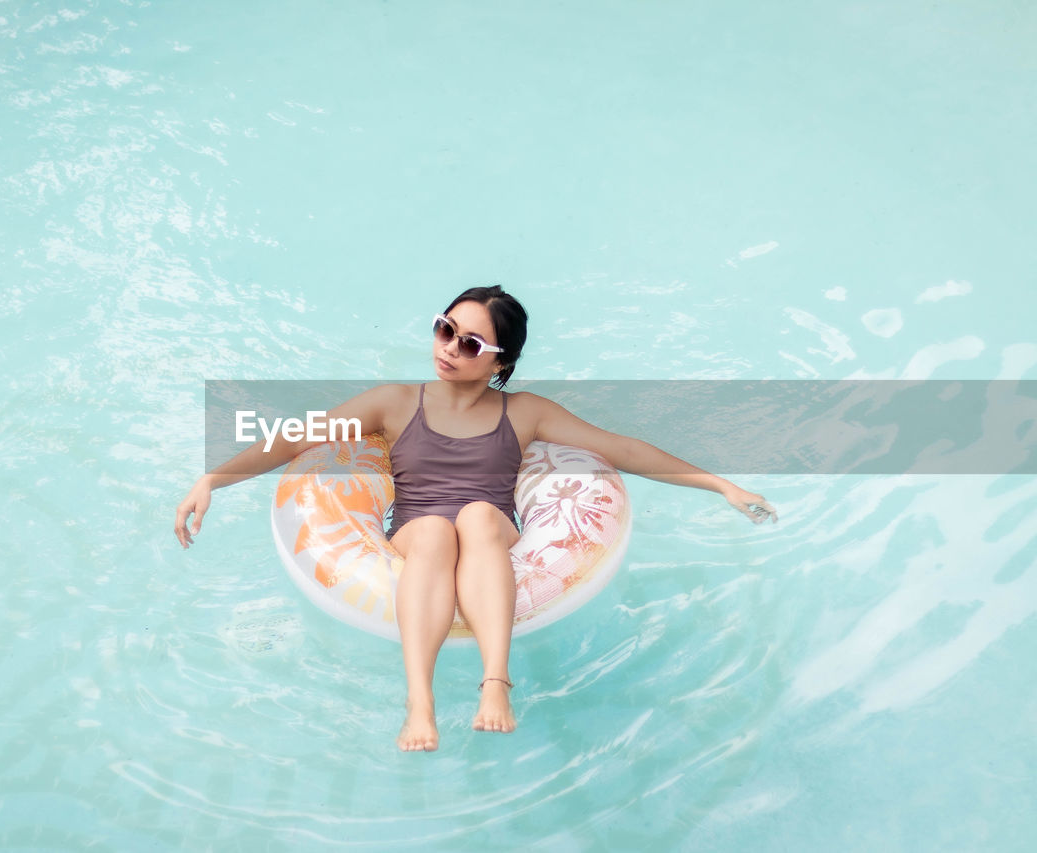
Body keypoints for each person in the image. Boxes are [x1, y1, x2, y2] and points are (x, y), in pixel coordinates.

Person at [175, 285, 777, 752]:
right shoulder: (393, 402)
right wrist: (214, 479)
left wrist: (718, 485)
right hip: (415, 525)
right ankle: (421, 702)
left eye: (469, 344)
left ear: (500, 361)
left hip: (494, 528)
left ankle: (496, 682)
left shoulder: (525, 412)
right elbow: (295, 439)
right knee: (439, 529)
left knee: (480, 516)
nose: (447, 348)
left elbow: (621, 449)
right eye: (445, 329)